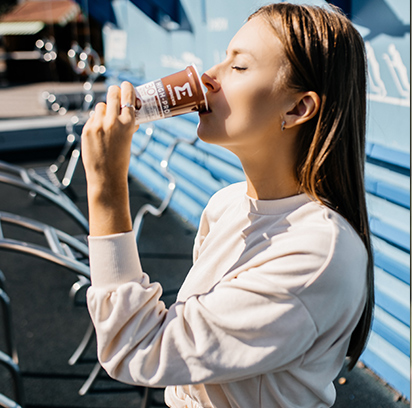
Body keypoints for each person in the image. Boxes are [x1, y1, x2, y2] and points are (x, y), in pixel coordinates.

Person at [81, 2, 374, 407]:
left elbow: (138, 349)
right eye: (223, 59)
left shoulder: (319, 253)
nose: (207, 78)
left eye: (238, 66)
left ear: (297, 108)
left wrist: (105, 188)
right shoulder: (226, 205)